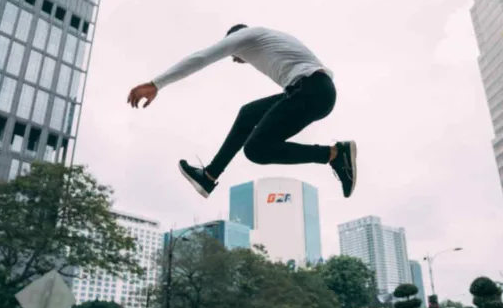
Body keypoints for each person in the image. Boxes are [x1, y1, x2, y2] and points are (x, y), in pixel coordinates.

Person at [127, 24, 356, 199]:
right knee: (248, 113)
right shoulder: (268, 39)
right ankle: (209, 177)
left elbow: (201, 58)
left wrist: (156, 83)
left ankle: (334, 154)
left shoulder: (247, 36)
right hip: (314, 90)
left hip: (311, 90)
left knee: (256, 150)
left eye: (234, 55)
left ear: (234, 40)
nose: (235, 59)